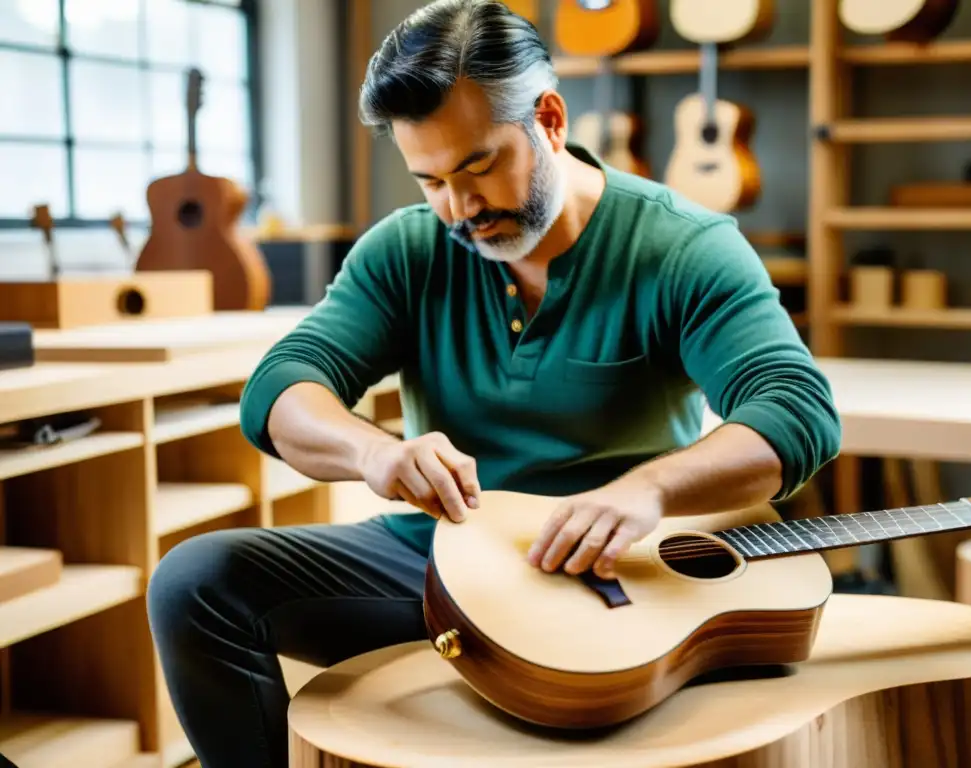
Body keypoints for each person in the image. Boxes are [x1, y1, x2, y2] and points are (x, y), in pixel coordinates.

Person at [145, 1, 842, 766]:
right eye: (430, 180)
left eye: (478, 165)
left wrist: (647, 491)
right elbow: (279, 389)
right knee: (194, 583)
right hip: (434, 567)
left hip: (615, 579)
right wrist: (373, 454)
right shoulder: (408, 250)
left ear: (548, 118)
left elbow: (796, 411)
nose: (460, 208)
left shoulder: (683, 247)